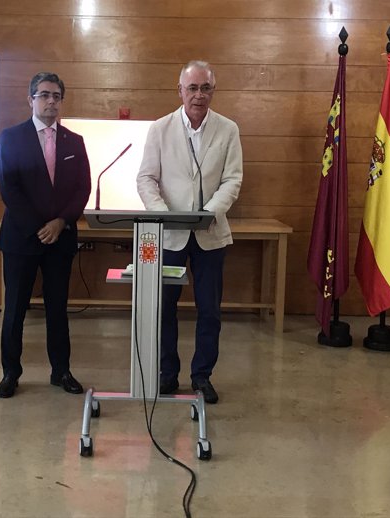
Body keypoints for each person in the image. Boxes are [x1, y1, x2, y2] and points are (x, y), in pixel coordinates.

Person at [136, 61, 243, 404]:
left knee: (209, 309)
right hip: (169, 236)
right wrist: (163, 216)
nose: (199, 95)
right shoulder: (160, 128)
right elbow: (146, 178)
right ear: (179, 91)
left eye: (205, 88)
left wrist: (209, 213)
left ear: (213, 91)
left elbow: (232, 179)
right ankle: (168, 374)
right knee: (165, 307)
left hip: (210, 234)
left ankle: (201, 376)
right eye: (192, 88)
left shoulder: (228, 129)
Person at [0, 72, 91, 398]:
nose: (51, 101)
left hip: (60, 239)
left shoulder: (74, 141)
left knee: (57, 309)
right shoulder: (11, 137)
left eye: (56, 96)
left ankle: (61, 371)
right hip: (22, 238)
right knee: (15, 310)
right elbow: (9, 188)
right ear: (30, 99)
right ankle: (11, 373)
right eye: (44, 95)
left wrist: (61, 222)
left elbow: (82, 188)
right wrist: (40, 226)